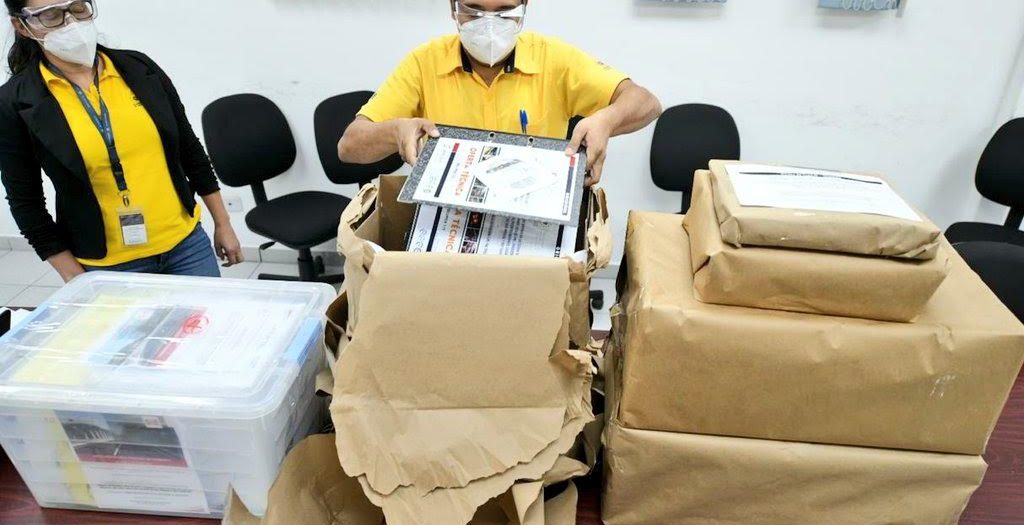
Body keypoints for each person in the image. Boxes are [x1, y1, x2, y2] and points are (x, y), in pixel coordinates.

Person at [0, 0, 243, 282]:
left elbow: (190, 151)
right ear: (22, 26)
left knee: (204, 313)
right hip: (108, 265)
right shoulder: (15, 102)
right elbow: (25, 202)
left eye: (78, 8)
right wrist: (74, 276)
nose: (71, 23)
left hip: (186, 246)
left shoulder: (139, 69)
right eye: (51, 15)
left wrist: (222, 223)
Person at [338, 0, 662, 186]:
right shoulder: (424, 62)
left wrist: (607, 120)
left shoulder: (554, 59)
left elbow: (645, 102)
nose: (489, 25)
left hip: (532, 207)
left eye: (505, 11)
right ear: (453, 8)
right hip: (450, 215)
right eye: (474, 10)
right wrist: (396, 131)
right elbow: (349, 146)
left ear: (524, 7)